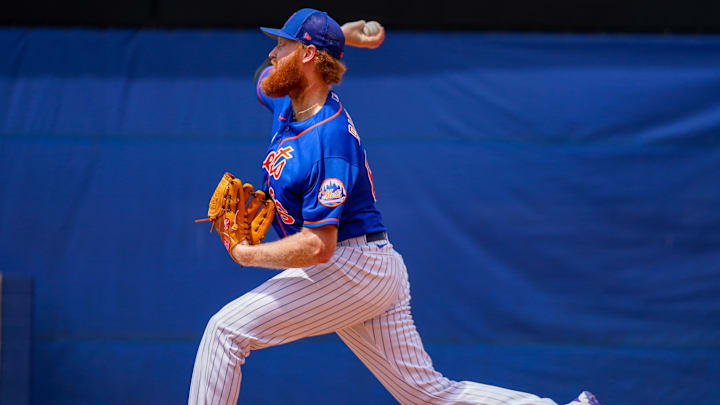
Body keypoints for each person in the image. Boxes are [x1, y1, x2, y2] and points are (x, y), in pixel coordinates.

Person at [188, 8, 602, 405]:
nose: (272, 55)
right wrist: (341, 38)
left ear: (308, 55)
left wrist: (248, 255)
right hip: (369, 267)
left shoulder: (329, 140)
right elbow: (265, 78)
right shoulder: (288, 100)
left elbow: (318, 247)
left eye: (282, 45)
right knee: (427, 395)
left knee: (225, 332)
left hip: (349, 267)